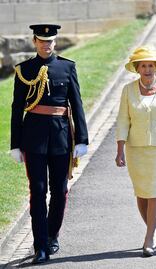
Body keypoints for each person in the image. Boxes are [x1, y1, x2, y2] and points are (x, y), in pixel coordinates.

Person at [10, 24, 89, 264]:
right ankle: (40, 245)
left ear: (55, 42)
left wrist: (82, 139)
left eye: (51, 41)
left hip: (61, 138)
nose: (47, 45)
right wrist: (15, 144)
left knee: (60, 191)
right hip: (33, 139)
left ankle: (52, 234)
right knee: (38, 192)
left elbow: (76, 104)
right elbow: (16, 109)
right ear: (34, 41)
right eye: (42, 41)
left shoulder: (67, 67)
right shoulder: (25, 70)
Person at [115, 46, 156, 257]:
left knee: (154, 191)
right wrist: (120, 149)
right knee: (141, 193)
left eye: (151, 65)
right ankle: (151, 229)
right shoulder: (128, 90)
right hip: (135, 148)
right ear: (137, 68)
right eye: (143, 65)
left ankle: (149, 236)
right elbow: (123, 120)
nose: (147, 69)